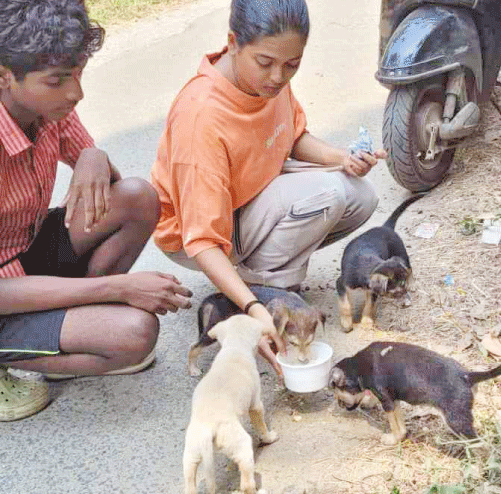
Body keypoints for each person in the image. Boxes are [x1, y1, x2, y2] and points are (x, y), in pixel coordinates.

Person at [0, 0, 191, 421]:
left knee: (139, 196)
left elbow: (105, 179)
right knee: (136, 334)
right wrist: (119, 289)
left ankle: (68, 331)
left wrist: (93, 153)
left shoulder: (44, 105)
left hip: (18, 252)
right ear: (1, 75)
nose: (76, 93)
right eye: (58, 80)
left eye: (78, 74)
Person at [150, 0, 385, 370]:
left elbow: (291, 136)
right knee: (332, 194)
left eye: (292, 65)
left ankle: (259, 278)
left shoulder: (266, 85)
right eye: (266, 63)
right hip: (195, 236)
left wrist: (343, 158)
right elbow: (202, 240)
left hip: (249, 197)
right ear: (233, 43)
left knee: (360, 195)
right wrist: (253, 307)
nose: (278, 77)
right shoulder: (201, 117)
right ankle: (265, 292)